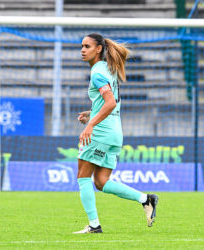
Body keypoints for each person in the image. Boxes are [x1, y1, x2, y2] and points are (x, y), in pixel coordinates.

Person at [73, 33, 158, 234]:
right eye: (81, 46)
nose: (82, 50)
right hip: (114, 132)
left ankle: (94, 225)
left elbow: (110, 102)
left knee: (83, 177)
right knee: (101, 182)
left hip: (101, 133)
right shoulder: (106, 69)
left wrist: (90, 124)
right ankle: (146, 199)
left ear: (99, 49)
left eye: (87, 46)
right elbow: (110, 103)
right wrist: (91, 114)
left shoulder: (97, 72)